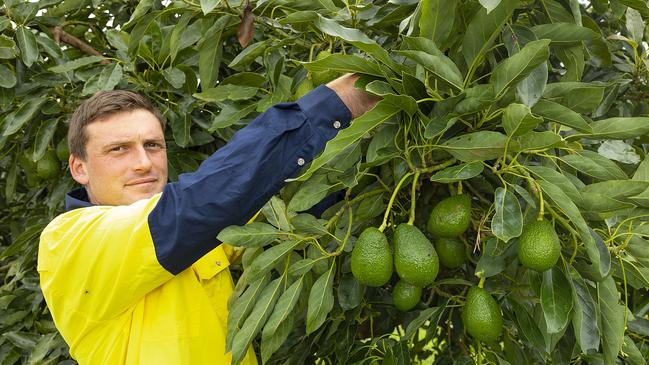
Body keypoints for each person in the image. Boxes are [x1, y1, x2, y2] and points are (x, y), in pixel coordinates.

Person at [37, 74, 379, 364]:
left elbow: (286, 209)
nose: (143, 163)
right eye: (118, 149)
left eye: (153, 145)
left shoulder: (194, 227)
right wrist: (336, 103)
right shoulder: (67, 241)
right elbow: (208, 201)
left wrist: (374, 145)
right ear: (79, 168)